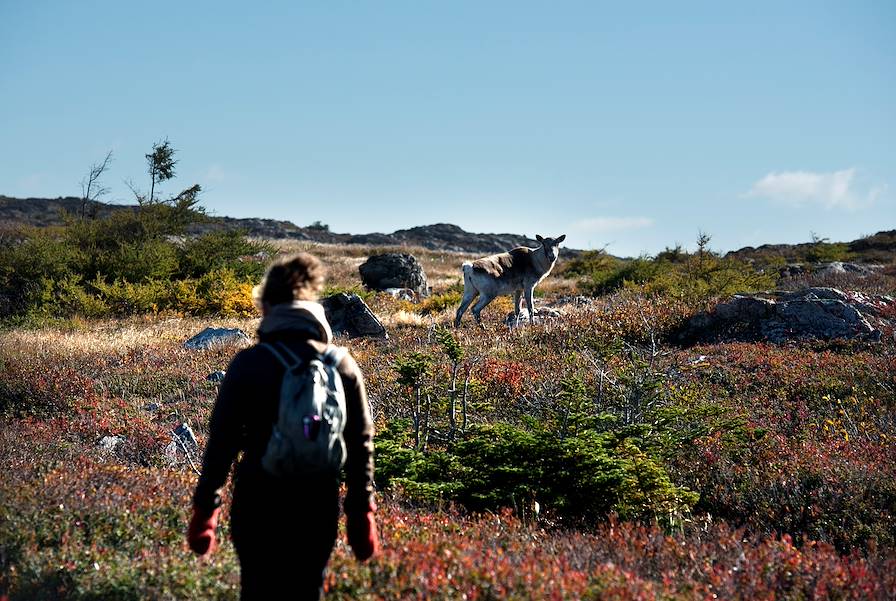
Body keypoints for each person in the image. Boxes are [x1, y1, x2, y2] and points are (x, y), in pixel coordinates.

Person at [186, 252, 378, 600]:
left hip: (259, 499)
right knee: (307, 590)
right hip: (317, 503)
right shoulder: (342, 364)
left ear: (269, 308)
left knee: (258, 590)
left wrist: (205, 510)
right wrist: (361, 513)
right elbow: (360, 442)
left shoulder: (249, 363)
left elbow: (222, 442)